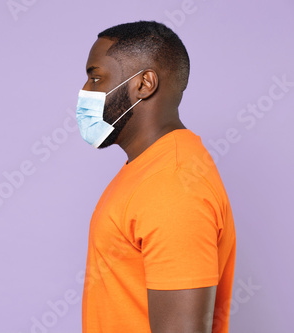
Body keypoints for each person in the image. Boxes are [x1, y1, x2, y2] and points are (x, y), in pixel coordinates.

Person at [76, 21, 236, 333]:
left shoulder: (173, 184)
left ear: (144, 84)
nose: (85, 92)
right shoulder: (149, 168)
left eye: (95, 78)